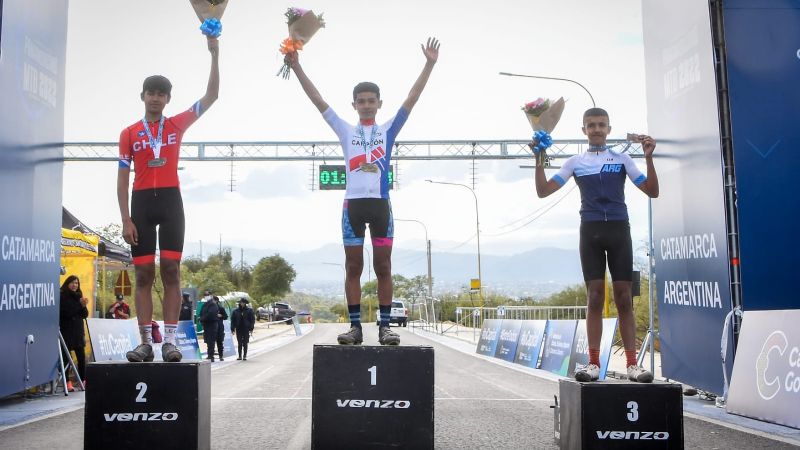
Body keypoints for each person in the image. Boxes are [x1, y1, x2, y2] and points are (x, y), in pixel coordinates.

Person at [287, 37, 440, 346]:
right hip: (353, 207)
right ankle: (355, 327)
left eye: (372, 100)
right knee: (353, 267)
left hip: (381, 205)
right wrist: (298, 67)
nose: (367, 105)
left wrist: (429, 64)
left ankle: (385, 327)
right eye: (361, 101)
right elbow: (317, 100)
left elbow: (413, 97)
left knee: (384, 266)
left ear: (379, 104)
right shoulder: (345, 130)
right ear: (354, 104)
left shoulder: (388, 130)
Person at [533, 107, 659, 383]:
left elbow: (652, 190)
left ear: (609, 129)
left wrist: (649, 159)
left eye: (602, 125)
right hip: (590, 231)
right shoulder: (575, 162)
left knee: (624, 298)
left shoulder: (622, 158)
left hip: (618, 230)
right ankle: (592, 363)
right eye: (591, 125)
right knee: (594, 298)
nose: (597, 129)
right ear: (584, 130)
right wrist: (539, 158)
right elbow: (543, 191)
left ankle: (631, 365)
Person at [117, 36, 219, 363]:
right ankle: (145, 342)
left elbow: (212, 95)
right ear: (143, 96)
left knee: (172, 271)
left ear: (168, 99)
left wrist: (214, 53)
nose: (156, 98)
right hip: (141, 204)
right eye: (151, 93)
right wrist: (125, 219)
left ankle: (170, 343)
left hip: (171, 201)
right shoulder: (130, 133)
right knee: (144, 275)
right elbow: (121, 178)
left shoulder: (176, 125)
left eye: (162, 94)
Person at [59, 275, 88, 391]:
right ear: (67, 283)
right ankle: (67, 382)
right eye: (72, 282)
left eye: (76, 283)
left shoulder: (79, 296)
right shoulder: (62, 295)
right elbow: (67, 313)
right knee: (66, 358)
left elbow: (84, 314)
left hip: (78, 332)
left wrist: (83, 306)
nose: (75, 285)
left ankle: (83, 380)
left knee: (81, 358)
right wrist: (79, 305)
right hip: (66, 331)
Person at [200, 296, 220, 361]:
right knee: (208, 341)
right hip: (206, 325)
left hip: (212, 325)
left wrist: (202, 318)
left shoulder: (213, 305)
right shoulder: (205, 305)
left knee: (211, 341)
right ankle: (209, 355)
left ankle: (211, 356)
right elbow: (201, 312)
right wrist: (201, 319)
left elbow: (210, 314)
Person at [214, 296, 228, 361]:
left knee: (219, 342)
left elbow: (226, 316)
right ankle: (211, 356)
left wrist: (221, 315)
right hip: (212, 327)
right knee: (211, 342)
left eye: (213, 300)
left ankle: (221, 356)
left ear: (216, 301)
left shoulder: (221, 308)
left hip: (219, 327)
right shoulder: (209, 307)